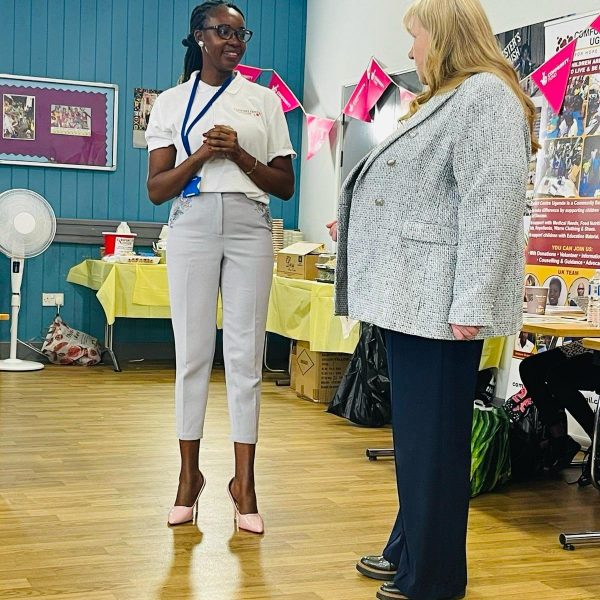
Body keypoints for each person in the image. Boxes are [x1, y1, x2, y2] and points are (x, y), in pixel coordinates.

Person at [334, 0, 537, 598]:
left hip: (443, 309)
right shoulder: (452, 98)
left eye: (416, 36)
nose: (410, 50)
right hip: (417, 301)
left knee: (434, 447)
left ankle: (435, 579)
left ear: (444, 36)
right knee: (420, 443)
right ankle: (409, 548)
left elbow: (492, 207)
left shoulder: (486, 97)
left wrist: (472, 303)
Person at [145, 0, 295, 533]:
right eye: (223, 32)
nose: (234, 41)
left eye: (241, 33)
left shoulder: (264, 101)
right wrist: (203, 156)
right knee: (192, 354)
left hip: (251, 226)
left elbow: (285, 185)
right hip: (192, 222)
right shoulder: (170, 102)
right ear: (199, 36)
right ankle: (189, 478)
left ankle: (244, 484)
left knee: (245, 357)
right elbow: (157, 189)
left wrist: (240, 155)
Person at [520, 341, 598, 485]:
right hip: (588, 345)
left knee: (557, 377)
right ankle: (560, 439)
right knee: (530, 368)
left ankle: (597, 445)